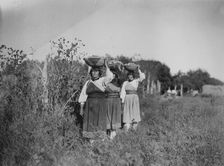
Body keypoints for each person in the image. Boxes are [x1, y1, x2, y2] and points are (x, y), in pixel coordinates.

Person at [78, 61, 113, 140]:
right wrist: (81, 109)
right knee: (90, 123)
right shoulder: (88, 83)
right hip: (89, 107)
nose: (94, 73)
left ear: (99, 73)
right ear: (91, 73)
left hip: (101, 106)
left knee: (100, 122)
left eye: (96, 71)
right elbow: (83, 96)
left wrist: (106, 66)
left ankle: (101, 142)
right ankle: (91, 142)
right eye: (93, 71)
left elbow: (110, 76)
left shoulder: (103, 80)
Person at [120, 66, 145, 131]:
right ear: (127, 76)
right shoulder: (125, 83)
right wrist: (122, 100)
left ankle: (134, 125)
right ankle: (127, 125)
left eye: (131, 75)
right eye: (129, 75)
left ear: (133, 76)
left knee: (134, 111)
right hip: (127, 98)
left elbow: (142, 77)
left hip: (134, 98)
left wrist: (138, 69)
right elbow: (123, 92)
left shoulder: (136, 81)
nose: (130, 77)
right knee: (127, 111)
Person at [105, 69, 122, 139]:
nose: (113, 77)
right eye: (112, 75)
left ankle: (113, 132)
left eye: (114, 75)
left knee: (115, 116)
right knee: (108, 115)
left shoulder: (119, 83)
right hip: (108, 100)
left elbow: (121, 93)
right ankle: (109, 132)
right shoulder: (106, 83)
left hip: (116, 101)